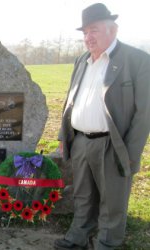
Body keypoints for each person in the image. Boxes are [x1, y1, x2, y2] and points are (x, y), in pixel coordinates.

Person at [55, 3, 150, 250]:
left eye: (94, 30)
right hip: (80, 142)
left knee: (113, 199)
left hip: (112, 143)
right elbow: (70, 99)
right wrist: (63, 136)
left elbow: (144, 113)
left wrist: (130, 153)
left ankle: (107, 243)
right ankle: (79, 236)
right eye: (85, 32)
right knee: (83, 195)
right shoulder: (81, 61)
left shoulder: (137, 60)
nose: (88, 37)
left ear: (113, 30)